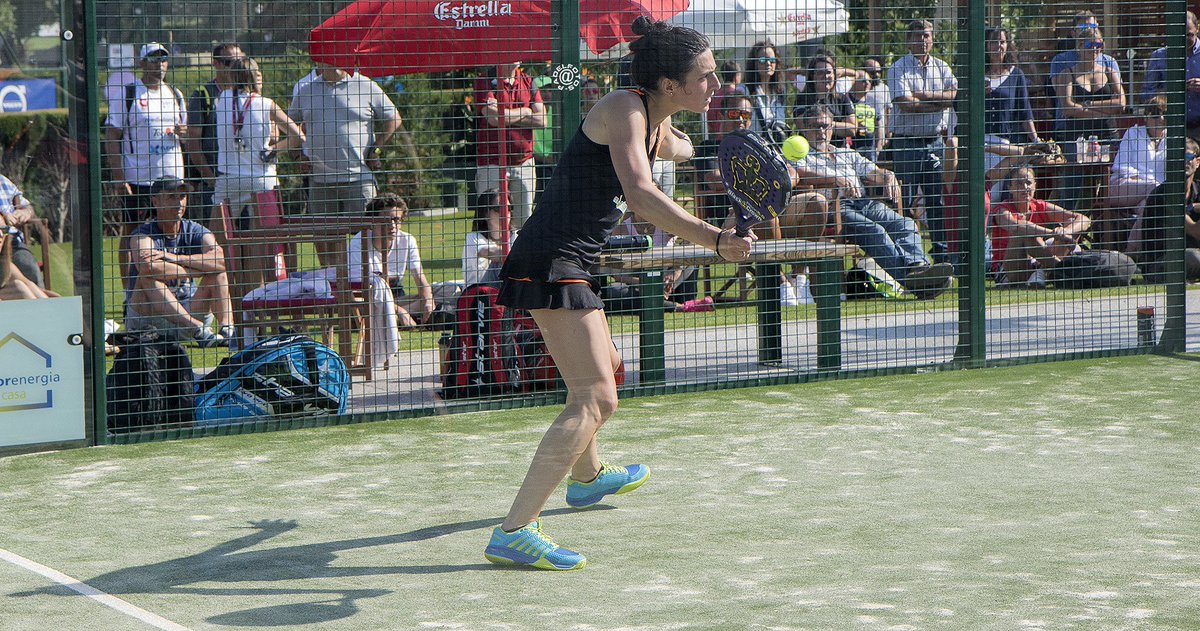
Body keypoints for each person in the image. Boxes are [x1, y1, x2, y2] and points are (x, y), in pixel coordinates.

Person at [484, 17, 752, 571]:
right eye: (705, 76)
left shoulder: (653, 118)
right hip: (552, 259)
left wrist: (701, 144)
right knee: (595, 397)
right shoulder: (623, 107)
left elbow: (678, 147)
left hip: (571, 260)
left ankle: (586, 478)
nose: (716, 84)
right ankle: (514, 530)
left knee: (606, 366)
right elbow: (641, 194)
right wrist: (715, 240)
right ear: (669, 84)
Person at [792, 105, 953, 298]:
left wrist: (887, 176)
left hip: (863, 202)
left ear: (832, 128)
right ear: (804, 130)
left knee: (905, 223)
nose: (821, 131)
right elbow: (799, 173)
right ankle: (915, 283)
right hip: (834, 209)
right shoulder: (800, 155)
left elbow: (872, 171)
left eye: (825, 126)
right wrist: (834, 179)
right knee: (875, 231)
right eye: (814, 126)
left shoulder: (845, 153)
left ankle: (918, 267)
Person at [289, 62, 401, 264]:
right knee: (326, 241)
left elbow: (394, 118)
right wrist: (298, 155)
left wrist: (375, 150)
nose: (332, 60)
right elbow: (288, 126)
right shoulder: (306, 90)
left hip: (359, 180)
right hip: (320, 182)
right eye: (325, 55)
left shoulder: (365, 85)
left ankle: (373, 281)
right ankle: (333, 282)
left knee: (370, 238)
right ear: (318, 60)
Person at [213, 57, 305, 293]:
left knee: (219, 242)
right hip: (262, 179)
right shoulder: (266, 104)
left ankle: (230, 299)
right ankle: (262, 299)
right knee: (264, 244)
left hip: (228, 178)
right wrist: (274, 150)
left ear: (231, 76)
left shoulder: (221, 99)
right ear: (256, 77)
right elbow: (298, 136)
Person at [104, 42, 187, 292]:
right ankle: (129, 292)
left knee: (173, 231)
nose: (159, 64)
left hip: (172, 178)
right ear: (142, 63)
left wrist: (184, 133)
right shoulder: (129, 93)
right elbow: (112, 135)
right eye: (153, 59)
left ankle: (173, 288)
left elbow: (186, 134)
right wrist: (119, 177)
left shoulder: (175, 93)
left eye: (163, 59)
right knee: (132, 233)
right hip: (138, 179)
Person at [125, 177, 233, 346]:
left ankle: (227, 330)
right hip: (151, 321)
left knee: (218, 273)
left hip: (190, 309)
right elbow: (147, 267)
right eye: (171, 197)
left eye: (182, 196)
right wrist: (194, 270)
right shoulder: (142, 235)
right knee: (145, 278)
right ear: (155, 201)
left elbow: (222, 261)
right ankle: (197, 329)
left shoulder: (195, 229)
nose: (179, 203)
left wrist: (177, 258)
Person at [888, 20, 959, 264]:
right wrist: (940, 103)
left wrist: (926, 96)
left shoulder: (942, 67)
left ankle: (941, 256)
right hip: (906, 143)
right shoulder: (898, 68)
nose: (922, 40)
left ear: (932, 38)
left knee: (937, 200)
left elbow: (955, 96)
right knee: (905, 200)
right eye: (917, 36)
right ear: (908, 40)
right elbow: (906, 105)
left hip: (935, 141)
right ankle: (908, 256)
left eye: (926, 35)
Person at [1051, 27, 1127, 212]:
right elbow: (1067, 108)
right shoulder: (1067, 73)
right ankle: (1067, 221)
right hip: (1077, 137)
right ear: (1079, 46)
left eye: (1098, 44)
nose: (1095, 48)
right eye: (1089, 44)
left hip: (1107, 136)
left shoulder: (1109, 71)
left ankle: (1105, 226)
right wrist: (1104, 110)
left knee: (1110, 182)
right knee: (1072, 186)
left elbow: (1121, 104)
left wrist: (1087, 104)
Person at [474, 61, 547, 232]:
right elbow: (493, 118)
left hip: (524, 163)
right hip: (492, 163)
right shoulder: (484, 81)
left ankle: (520, 251)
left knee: (524, 223)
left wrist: (505, 116)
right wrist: (525, 111)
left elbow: (542, 120)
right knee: (490, 222)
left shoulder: (528, 81)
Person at [990, 166, 1091, 287]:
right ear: (1010, 188)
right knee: (1025, 231)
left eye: (1028, 183)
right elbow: (1019, 226)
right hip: (1010, 269)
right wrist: (1052, 233)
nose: (1025, 187)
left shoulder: (1039, 205)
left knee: (1071, 223)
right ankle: (1062, 271)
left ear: (1035, 185)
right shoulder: (1002, 209)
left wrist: (1066, 231)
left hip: (1037, 261)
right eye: (1019, 183)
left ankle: (1044, 273)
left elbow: (1084, 219)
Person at [347, 193, 434, 328]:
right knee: (367, 308)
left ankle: (399, 318)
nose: (392, 225)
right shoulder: (359, 243)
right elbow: (359, 292)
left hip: (397, 296)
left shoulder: (407, 240)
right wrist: (399, 310)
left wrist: (428, 302)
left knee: (447, 291)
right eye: (385, 220)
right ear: (372, 222)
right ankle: (402, 316)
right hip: (370, 300)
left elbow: (420, 279)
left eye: (396, 220)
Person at [184, 42, 244, 228]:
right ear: (216, 63)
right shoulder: (203, 95)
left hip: (244, 177)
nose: (235, 67)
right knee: (215, 234)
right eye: (229, 62)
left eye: (240, 61)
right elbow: (193, 143)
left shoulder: (246, 93)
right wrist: (210, 177)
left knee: (247, 234)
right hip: (215, 181)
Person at [1126, 137, 1200, 282]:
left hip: (1189, 257)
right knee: (1192, 257)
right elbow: (1195, 231)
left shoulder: (1197, 189)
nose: (1183, 162)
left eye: (1187, 156)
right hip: (1159, 264)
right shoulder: (1163, 194)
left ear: (1197, 162)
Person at [1140, 11, 1200, 137]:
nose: (1184, 40)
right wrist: (1171, 90)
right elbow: (1146, 94)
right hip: (1171, 126)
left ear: (1197, 29)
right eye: (1180, 35)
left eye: (1189, 35)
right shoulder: (1159, 56)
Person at [1108, 95, 1167, 212]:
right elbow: (1122, 167)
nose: (1161, 118)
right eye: (1155, 114)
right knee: (1156, 188)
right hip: (1125, 185)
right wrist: (1148, 180)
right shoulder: (1133, 133)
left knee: (1146, 206)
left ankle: (1139, 215)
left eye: (1165, 114)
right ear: (1145, 117)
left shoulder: (1172, 138)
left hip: (1155, 194)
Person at [792, 54, 857, 146]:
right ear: (812, 76)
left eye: (829, 72)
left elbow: (852, 129)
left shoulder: (842, 99)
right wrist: (838, 126)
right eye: (820, 73)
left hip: (838, 152)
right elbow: (802, 125)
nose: (826, 76)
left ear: (834, 75)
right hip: (811, 152)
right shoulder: (803, 99)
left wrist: (825, 124)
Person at [0, 171, 45, 288]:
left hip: (12, 242)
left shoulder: (3, 181)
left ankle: (40, 297)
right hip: (2, 238)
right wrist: (3, 217)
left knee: (29, 268)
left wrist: (25, 212)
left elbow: (26, 206)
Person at [745, 41, 790, 142]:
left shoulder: (780, 92)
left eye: (772, 60)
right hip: (753, 146)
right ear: (754, 63)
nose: (768, 63)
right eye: (762, 60)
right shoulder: (745, 91)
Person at [462, 202, 505, 287]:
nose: (505, 212)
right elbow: (492, 253)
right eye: (498, 209)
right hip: (478, 292)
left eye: (509, 208)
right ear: (486, 213)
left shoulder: (515, 236)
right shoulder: (473, 238)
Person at [705, 60, 745, 136]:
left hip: (718, 137)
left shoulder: (714, 96)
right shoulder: (738, 97)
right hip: (735, 136)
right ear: (736, 76)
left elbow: (710, 123)